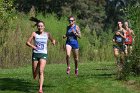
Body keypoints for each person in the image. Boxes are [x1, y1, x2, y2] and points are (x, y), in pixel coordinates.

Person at [26, 17, 55, 93]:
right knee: (34, 75)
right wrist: (33, 46)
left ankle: (40, 89)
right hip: (35, 55)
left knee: (41, 71)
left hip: (43, 54)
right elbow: (27, 42)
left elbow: (52, 39)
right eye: (39, 26)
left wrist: (53, 41)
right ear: (37, 27)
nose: (40, 27)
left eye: (41, 26)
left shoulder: (47, 34)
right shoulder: (34, 34)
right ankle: (38, 67)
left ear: (44, 27)